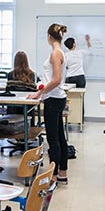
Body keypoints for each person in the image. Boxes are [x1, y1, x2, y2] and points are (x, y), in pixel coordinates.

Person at [29, 24, 68, 183]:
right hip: (57, 98)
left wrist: (40, 92)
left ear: (49, 37)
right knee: (59, 137)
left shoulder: (55, 54)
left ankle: (52, 176)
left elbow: (56, 79)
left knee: (53, 139)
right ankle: (62, 173)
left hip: (53, 99)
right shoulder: (60, 52)